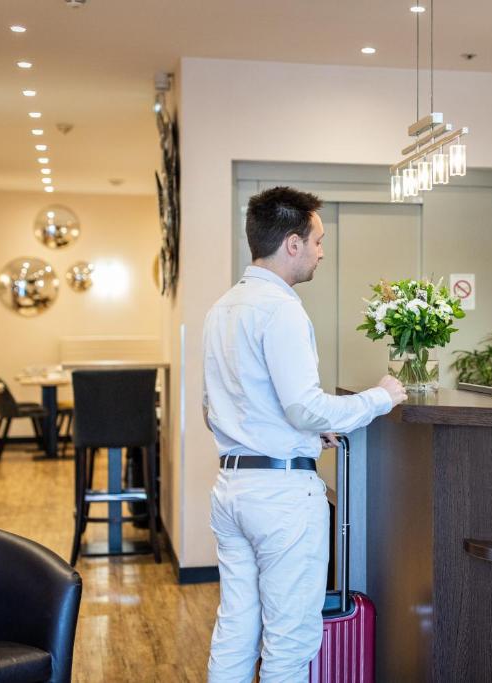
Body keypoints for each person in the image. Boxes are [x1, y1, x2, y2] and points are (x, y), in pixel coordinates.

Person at [202, 186, 407, 682]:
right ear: (291, 243)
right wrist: (382, 396)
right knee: (289, 643)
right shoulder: (281, 309)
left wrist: (306, 437)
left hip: (232, 490)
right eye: (317, 240)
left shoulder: (223, 308)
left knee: (236, 629)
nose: (321, 251)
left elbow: (219, 409)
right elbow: (305, 406)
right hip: (280, 499)